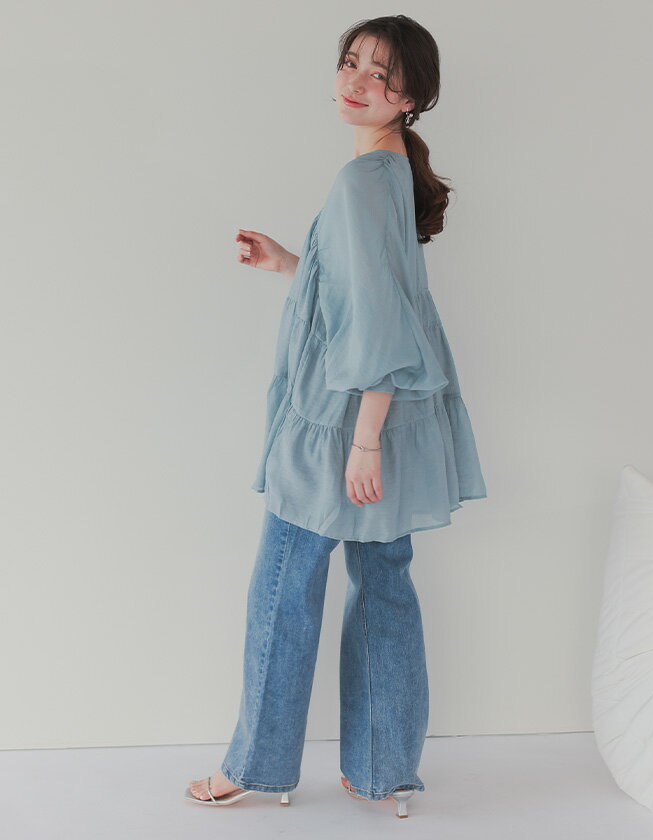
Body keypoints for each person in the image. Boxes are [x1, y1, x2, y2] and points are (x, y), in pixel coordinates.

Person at [185, 14, 487, 819]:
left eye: (382, 74)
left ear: (413, 97)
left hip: (344, 426)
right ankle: (383, 771)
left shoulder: (364, 181)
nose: (358, 82)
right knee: (384, 585)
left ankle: (258, 764)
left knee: (284, 585)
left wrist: (363, 441)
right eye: (351, 63)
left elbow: (380, 325)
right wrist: (291, 262)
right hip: (388, 421)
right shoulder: (387, 171)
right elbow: (359, 293)